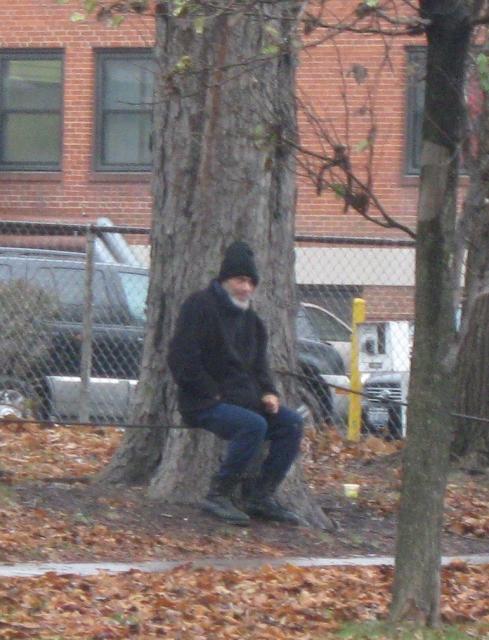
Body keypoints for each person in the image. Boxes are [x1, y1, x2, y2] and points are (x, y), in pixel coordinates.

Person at [168, 241, 304, 526]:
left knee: (290, 424)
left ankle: (260, 495)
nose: (246, 288)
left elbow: (260, 366)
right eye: (240, 280)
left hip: (246, 400)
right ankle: (218, 494)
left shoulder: (252, 321)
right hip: (204, 402)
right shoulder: (199, 307)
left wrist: (269, 392)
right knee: (253, 425)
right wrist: (211, 394)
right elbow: (182, 359)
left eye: (251, 282)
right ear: (224, 279)